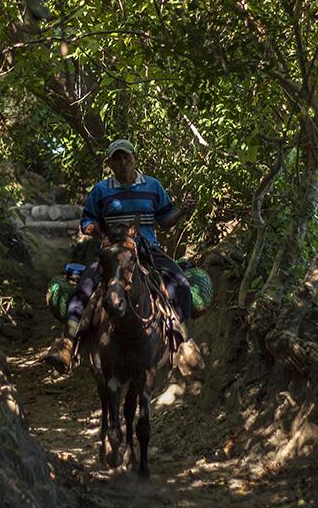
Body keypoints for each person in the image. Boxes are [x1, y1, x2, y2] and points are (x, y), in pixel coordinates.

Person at [45, 139, 203, 375]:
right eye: (116, 159)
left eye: (126, 157)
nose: (122, 163)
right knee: (85, 287)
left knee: (179, 283)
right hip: (112, 252)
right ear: (109, 163)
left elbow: (164, 220)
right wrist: (106, 233)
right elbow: (86, 223)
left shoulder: (153, 186)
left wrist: (181, 212)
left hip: (148, 250)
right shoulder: (101, 190)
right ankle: (67, 344)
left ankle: (183, 344)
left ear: (134, 158)